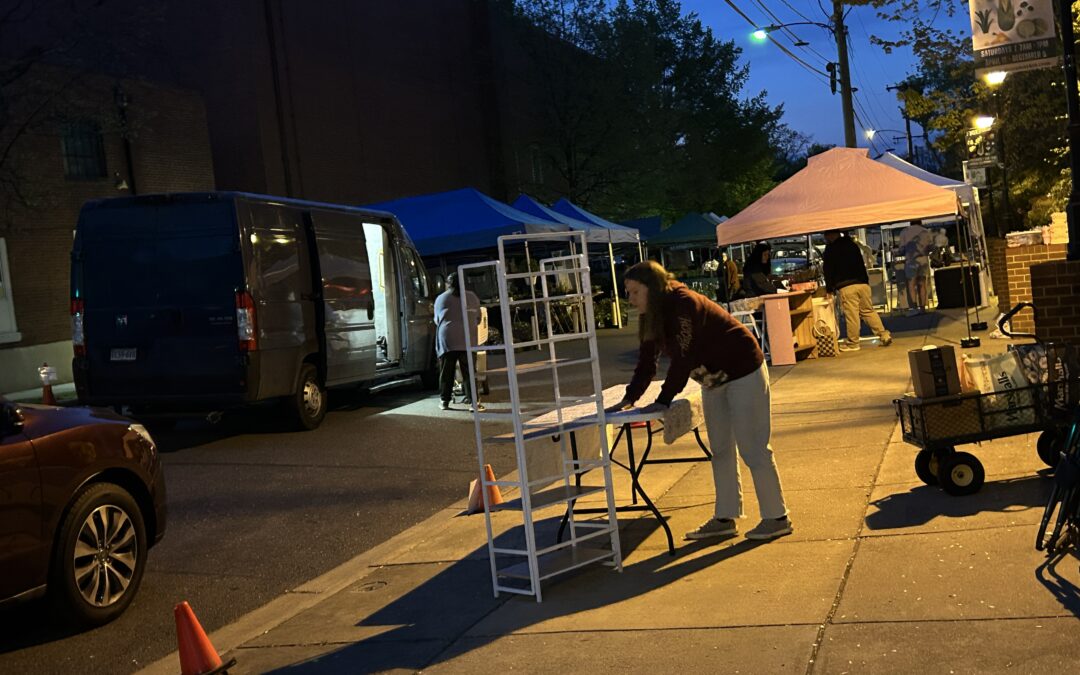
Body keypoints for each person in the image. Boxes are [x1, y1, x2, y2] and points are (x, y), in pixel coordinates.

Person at [606, 261, 792, 541]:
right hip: (713, 380)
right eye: (628, 293)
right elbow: (647, 361)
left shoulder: (684, 304)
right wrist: (629, 398)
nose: (630, 300)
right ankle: (725, 517)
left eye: (634, 292)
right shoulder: (651, 314)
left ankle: (777, 517)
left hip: (743, 371)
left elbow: (684, 356)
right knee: (720, 450)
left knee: (753, 448)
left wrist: (663, 400)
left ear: (652, 288)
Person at [823, 230, 893, 352]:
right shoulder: (852, 245)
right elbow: (861, 263)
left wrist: (830, 289)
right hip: (862, 284)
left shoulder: (830, 249)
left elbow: (828, 270)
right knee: (868, 311)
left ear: (830, 235)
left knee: (852, 315)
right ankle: (884, 334)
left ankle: (853, 343)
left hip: (846, 286)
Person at [434, 272, 483, 412]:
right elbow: (478, 318)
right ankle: (474, 403)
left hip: (448, 339)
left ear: (448, 284)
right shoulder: (472, 297)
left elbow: (437, 320)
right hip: (468, 338)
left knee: (446, 371)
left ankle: (444, 401)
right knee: (469, 372)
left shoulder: (441, 298)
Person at [900, 221, 933, 315]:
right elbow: (931, 247)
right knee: (922, 284)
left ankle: (914, 307)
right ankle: (922, 308)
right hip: (923, 260)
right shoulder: (926, 231)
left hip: (910, 260)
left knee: (911, 284)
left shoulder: (905, 231)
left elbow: (901, 249)